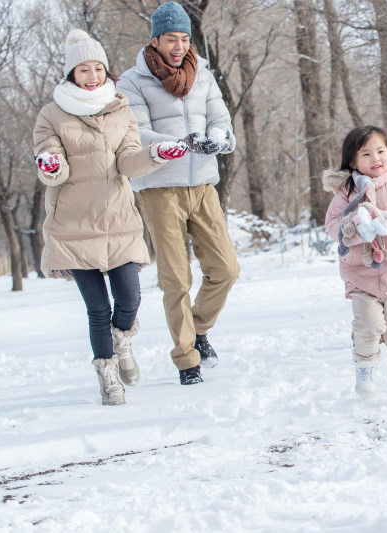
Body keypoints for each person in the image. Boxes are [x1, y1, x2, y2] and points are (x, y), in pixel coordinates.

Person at [33, 30, 188, 405]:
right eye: (83, 69)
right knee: (98, 308)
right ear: (71, 73)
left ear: (106, 70)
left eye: (98, 68)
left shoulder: (120, 109)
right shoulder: (52, 114)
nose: (92, 75)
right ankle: (107, 376)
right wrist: (50, 165)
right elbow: (49, 160)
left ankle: (122, 342)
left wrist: (155, 154)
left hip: (118, 220)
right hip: (73, 225)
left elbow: (128, 160)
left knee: (130, 299)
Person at [116, 1, 240, 386]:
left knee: (225, 269)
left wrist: (218, 138)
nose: (180, 46)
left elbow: (220, 117)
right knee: (176, 278)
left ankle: (198, 329)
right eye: (172, 38)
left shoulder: (201, 72)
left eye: (185, 38)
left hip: (203, 185)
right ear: (155, 40)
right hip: (159, 187)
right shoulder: (132, 82)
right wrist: (180, 144)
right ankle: (187, 358)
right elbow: (136, 132)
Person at [323, 126, 387, 403]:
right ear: (353, 161)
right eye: (366, 154)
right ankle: (365, 368)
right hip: (361, 274)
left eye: (380, 151)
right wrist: (355, 231)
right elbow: (332, 224)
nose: (375, 158)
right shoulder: (346, 191)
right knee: (368, 325)